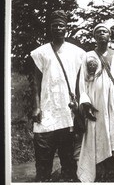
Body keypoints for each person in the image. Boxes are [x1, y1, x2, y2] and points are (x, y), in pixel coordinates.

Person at [30, 10, 85, 182]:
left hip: (67, 113)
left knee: (68, 159)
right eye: (55, 25)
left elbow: (80, 83)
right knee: (43, 158)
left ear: (66, 28)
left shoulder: (78, 53)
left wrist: (79, 106)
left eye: (61, 25)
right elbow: (35, 83)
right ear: (50, 28)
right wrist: (37, 106)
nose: (58, 28)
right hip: (46, 111)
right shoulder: (39, 53)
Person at [76, 23, 114, 182]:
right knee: (96, 133)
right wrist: (86, 104)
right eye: (98, 32)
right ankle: (98, 170)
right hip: (95, 103)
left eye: (105, 31)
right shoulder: (88, 56)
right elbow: (82, 83)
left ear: (110, 35)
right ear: (94, 37)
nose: (102, 34)